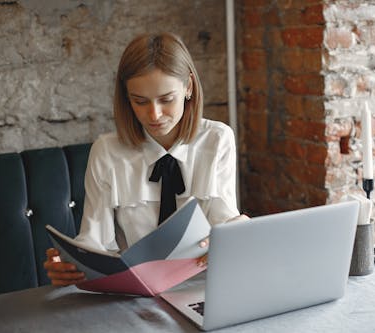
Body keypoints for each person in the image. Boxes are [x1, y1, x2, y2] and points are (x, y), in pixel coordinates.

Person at [44, 32, 246, 286]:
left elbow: (223, 220)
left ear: (189, 87)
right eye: (140, 101)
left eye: (166, 99)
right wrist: (71, 264)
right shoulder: (107, 151)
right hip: (134, 292)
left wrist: (238, 230)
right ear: (127, 98)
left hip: (205, 286)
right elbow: (94, 239)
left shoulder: (217, 139)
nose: (155, 114)